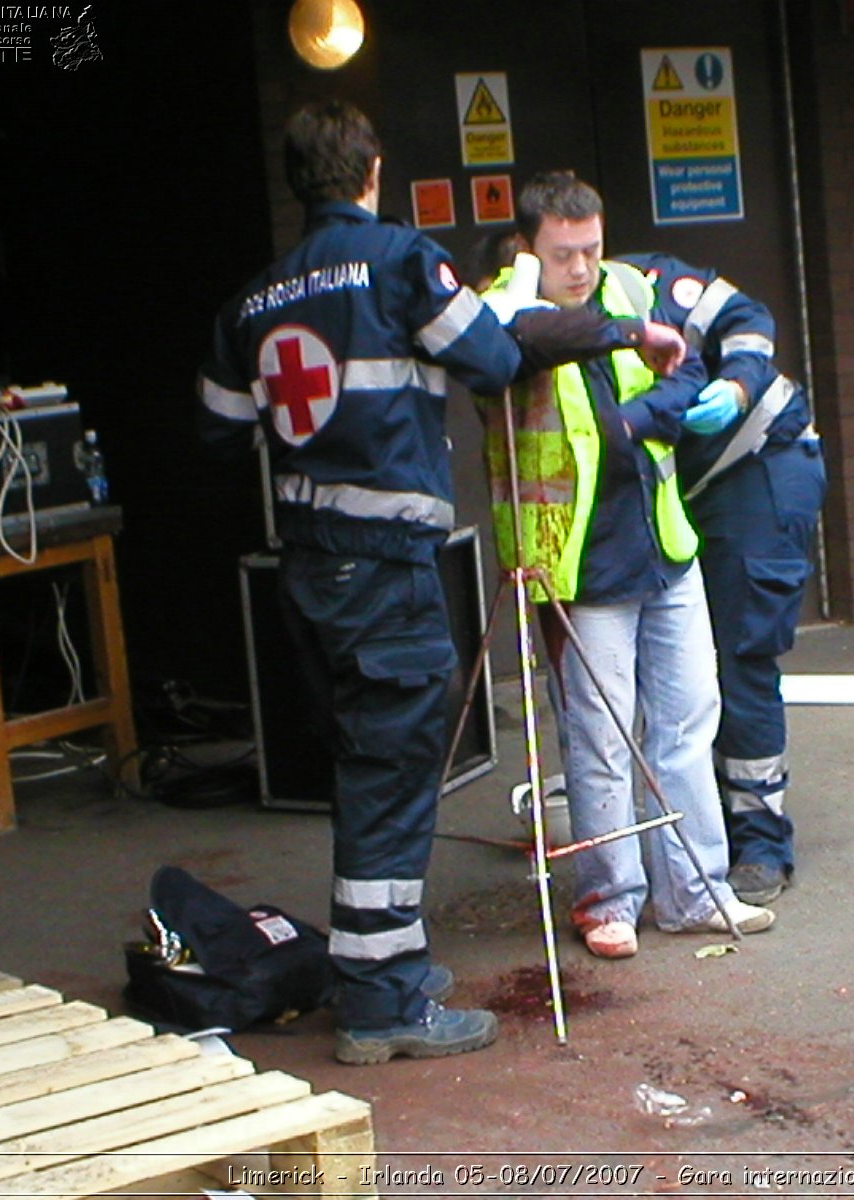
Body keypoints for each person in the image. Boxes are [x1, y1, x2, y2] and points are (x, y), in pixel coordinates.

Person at [197, 102, 684, 1064]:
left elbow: (217, 431)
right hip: (387, 574)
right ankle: (381, 1006)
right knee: (391, 781)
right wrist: (614, 332)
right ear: (371, 171)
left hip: (305, 573)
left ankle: (388, 969)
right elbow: (495, 356)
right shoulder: (403, 262)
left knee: (360, 768)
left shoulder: (249, 302)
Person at [483, 170, 777, 959]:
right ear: (528, 249)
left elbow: (685, 369)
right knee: (600, 738)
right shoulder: (506, 305)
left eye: (591, 248)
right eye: (563, 253)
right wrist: (632, 354)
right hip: (577, 557)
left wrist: (638, 415)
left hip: (658, 538)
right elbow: (530, 343)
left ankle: (695, 890)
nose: (581, 267)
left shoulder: (629, 289)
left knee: (688, 720)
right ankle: (607, 898)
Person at [657, 262, 826, 905]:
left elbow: (747, 320)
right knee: (688, 665)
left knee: (741, 656)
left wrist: (735, 383)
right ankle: (712, 823)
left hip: (760, 462)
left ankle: (760, 839)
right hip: (692, 488)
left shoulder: (647, 284)